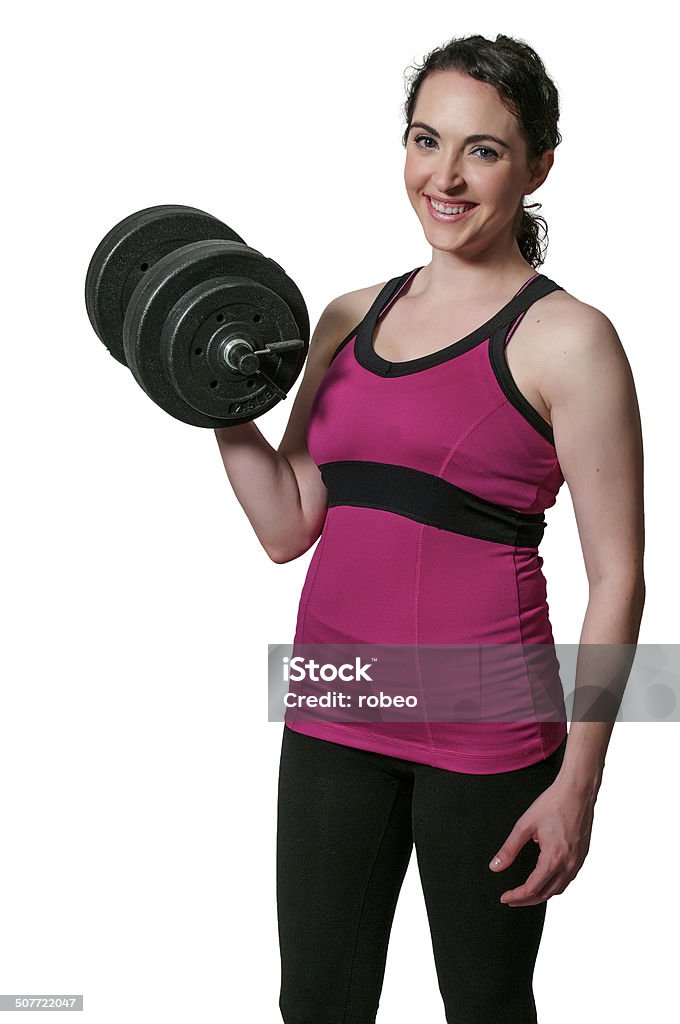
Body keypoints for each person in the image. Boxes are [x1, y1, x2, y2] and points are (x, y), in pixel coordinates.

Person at [214, 33, 645, 1024]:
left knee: (485, 1005)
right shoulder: (342, 317)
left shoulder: (566, 338)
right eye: (424, 140)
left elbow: (616, 576)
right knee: (316, 1003)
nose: (443, 177)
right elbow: (287, 523)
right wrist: (215, 400)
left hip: (489, 722)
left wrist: (578, 784)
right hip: (333, 703)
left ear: (536, 165)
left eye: (481, 151)